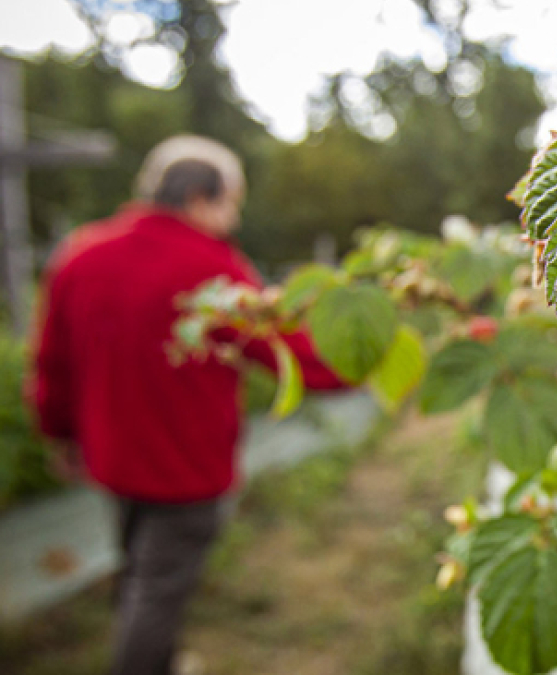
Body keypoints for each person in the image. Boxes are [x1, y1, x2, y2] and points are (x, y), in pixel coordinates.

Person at [27, 135, 346, 675]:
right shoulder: (213, 268)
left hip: (112, 458)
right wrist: (367, 356)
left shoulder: (80, 253)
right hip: (186, 469)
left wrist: (60, 434)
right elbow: (290, 356)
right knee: (158, 590)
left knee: (138, 570)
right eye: (231, 203)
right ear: (200, 197)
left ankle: (159, 658)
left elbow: (51, 362)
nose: (233, 220)